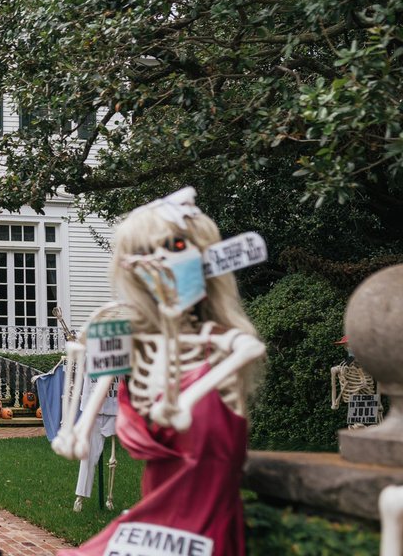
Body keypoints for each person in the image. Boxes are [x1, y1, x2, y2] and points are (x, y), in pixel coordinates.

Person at [54, 189, 265, 556]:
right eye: (142, 253)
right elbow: (105, 375)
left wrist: (190, 397)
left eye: (173, 247)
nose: (155, 263)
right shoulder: (134, 343)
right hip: (152, 524)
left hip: (203, 526)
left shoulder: (218, 344)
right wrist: (80, 430)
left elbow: (249, 348)